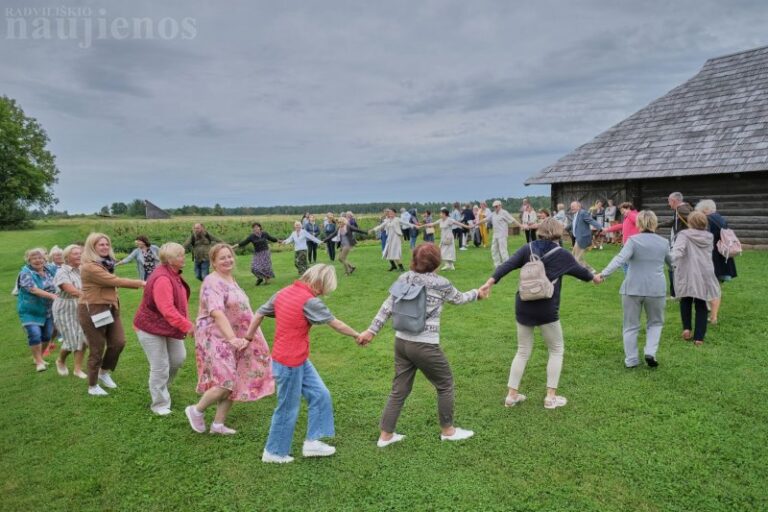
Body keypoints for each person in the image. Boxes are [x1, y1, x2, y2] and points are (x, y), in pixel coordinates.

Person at [358, 244, 486, 447]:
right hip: (425, 345)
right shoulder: (441, 283)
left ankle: (386, 436)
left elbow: (388, 305)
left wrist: (371, 330)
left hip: (401, 342)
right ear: (437, 261)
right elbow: (460, 299)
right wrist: (477, 293)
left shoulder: (404, 278)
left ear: (413, 260)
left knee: (399, 389)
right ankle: (448, 431)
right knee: (445, 384)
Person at [479, 219, 600, 409]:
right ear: (559, 233)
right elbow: (584, 274)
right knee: (556, 349)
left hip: (524, 304)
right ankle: (550, 398)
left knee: (522, 351)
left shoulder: (527, 248)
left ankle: (511, 396)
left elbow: (507, 265)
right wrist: (596, 277)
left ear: (540, 231)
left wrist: (489, 282)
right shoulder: (563, 254)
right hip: (547, 308)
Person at [247, 264, 360, 463]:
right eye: (327, 287)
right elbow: (335, 323)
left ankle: (313, 442)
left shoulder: (283, 292)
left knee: (320, 394)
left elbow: (259, 312)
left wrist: (247, 337)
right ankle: (273, 453)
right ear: (320, 284)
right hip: (289, 362)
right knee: (287, 408)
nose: (326, 291)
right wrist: (357, 335)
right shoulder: (310, 301)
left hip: (297, 358)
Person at [185, 244, 274, 434]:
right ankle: (196, 410)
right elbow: (216, 312)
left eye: (229, 256)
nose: (227, 260)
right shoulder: (212, 281)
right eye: (222, 258)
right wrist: (232, 338)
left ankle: (218, 425)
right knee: (225, 381)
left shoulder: (231, 279)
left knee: (235, 377)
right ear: (213, 262)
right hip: (215, 336)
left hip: (234, 335)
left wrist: (247, 335)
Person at [595, 211, 671, 368]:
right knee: (655, 323)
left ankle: (631, 360)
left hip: (632, 288)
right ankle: (650, 351)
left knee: (630, 325)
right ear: (655, 223)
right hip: (656, 289)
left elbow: (619, 259)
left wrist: (603, 274)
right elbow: (673, 263)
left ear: (639, 224)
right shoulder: (664, 242)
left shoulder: (633, 241)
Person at [79, 233, 145, 396]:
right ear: (92, 247)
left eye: (107, 244)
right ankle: (93, 385)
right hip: (93, 309)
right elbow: (113, 281)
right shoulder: (90, 267)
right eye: (100, 244)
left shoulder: (106, 263)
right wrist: (142, 283)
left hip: (110, 307)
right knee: (97, 348)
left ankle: (104, 372)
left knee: (118, 342)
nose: (105, 247)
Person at [133, 243, 193, 416]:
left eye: (183, 254)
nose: (184, 258)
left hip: (167, 325)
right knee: (160, 365)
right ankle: (159, 404)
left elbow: (178, 305)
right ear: (170, 260)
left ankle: (162, 388)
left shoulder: (173, 274)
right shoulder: (162, 279)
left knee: (178, 358)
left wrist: (185, 320)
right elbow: (167, 309)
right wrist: (187, 326)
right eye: (180, 255)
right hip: (149, 327)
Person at [670, 212, 721, 347]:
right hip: (704, 272)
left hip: (687, 271)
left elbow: (678, 251)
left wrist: (668, 259)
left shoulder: (684, 235)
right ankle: (699, 338)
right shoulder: (709, 236)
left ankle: (687, 329)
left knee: (685, 299)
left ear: (690, 222)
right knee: (701, 303)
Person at [695, 199, 737, 325]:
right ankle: (710, 311)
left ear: (705, 210)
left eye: (700, 211)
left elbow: (704, 239)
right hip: (722, 256)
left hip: (711, 257)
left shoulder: (708, 220)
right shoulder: (721, 219)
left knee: (711, 287)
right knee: (716, 286)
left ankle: (713, 317)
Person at [16, 248, 58, 372]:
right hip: (30, 310)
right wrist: (52, 296)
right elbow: (33, 289)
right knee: (35, 334)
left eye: (40, 258)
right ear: (29, 260)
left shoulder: (50, 269)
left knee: (47, 335)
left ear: (45, 259)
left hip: (48, 310)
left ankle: (38, 357)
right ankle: (39, 362)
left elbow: (62, 274)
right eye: (34, 258)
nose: (38, 260)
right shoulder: (25, 272)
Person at [52, 245, 88, 378]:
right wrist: (91, 296)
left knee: (83, 338)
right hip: (65, 308)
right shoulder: (62, 272)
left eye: (80, 253)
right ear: (67, 257)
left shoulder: (82, 269)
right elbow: (71, 290)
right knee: (72, 339)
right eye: (75, 254)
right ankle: (60, 361)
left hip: (80, 305)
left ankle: (77, 369)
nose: (79, 255)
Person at [660, 192, 693, 298]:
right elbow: (674, 222)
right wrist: (658, 225)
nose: (669, 204)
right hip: (681, 243)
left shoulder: (681, 209)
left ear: (674, 201)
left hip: (681, 244)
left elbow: (695, 222)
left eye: (669, 201)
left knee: (674, 267)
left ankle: (678, 293)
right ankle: (679, 293)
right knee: (676, 267)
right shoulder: (681, 209)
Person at [476, 200, 520, 268]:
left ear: (500, 206)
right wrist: (476, 223)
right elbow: (485, 219)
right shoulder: (493, 213)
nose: (495, 208)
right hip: (495, 235)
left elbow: (513, 220)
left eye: (496, 206)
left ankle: (507, 265)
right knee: (494, 249)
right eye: (494, 207)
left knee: (503, 250)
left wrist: (521, 226)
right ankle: (497, 264)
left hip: (502, 235)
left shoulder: (504, 213)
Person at [569, 201, 603, 272]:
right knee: (574, 256)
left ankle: (585, 273)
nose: (572, 208)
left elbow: (591, 220)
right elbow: (574, 224)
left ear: (579, 206)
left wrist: (601, 228)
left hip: (583, 238)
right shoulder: (576, 214)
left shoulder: (582, 213)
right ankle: (591, 270)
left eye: (573, 206)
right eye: (571, 206)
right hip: (578, 238)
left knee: (577, 258)